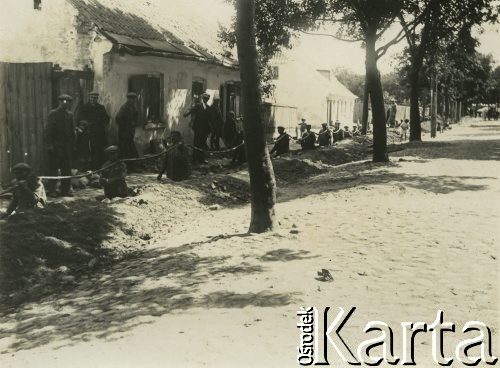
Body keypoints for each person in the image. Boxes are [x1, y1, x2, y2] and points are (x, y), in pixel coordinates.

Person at [45, 94, 76, 197]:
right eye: (62, 101)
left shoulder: (70, 115)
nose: (65, 103)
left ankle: (65, 190)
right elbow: (48, 131)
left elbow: (72, 131)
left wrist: (73, 145)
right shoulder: (53, 114)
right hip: (56, 146)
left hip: (66, 147)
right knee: (53, 169)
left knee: (66, 169)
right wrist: (49, 145)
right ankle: (52, 190)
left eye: (67, 101)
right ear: (59, 102)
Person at [77, 91, 109, 170]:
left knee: (99, 150)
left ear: (97, 98)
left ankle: (99, 168)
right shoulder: (84, 107)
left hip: (99, 132)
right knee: (89, 151)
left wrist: (101, 121)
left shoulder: (101, 107)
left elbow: (106, 118)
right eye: (91, 97)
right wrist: (86, 124)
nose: (93, 99)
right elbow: (80, 119)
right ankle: (90, 168)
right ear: (89, 98)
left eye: (95, 98)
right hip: (89, 133)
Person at [184, 92, 211, 164]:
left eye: (207, 99)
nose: (206, 100)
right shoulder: (198, 106)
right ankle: (195, 159)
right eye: (205, 98)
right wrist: (187, 113)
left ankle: (202, 159)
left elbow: (210, 118)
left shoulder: (208, 107)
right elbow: (191, 110)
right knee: (197, 143)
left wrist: (210, 129)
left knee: (203, 144)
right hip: (198, 128)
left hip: (205, 129)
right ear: (202, 98)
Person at [116, 92, 139, 161]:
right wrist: (126, 125)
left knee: (129, 149)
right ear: (128, 99)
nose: (133, 101)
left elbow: (136, 117)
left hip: (130, 132)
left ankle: (130, 165)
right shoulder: (124, 107)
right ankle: (125, 164)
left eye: (134, 99)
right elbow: (118, 118)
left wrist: (134, 123)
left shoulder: (133, 107)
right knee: (124, 149)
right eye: (131, 99)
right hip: (124, 132)